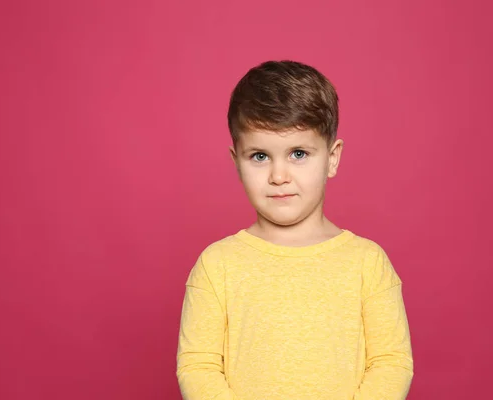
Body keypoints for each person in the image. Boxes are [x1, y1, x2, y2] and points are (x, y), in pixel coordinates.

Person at [176, 60, 414, 399]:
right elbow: (198, 366)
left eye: (298, 153)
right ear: (236, 162)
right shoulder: (216, 265)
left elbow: (391, 362)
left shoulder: (368, 263)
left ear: (332, 158)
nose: (278, 175)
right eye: (259, 156)